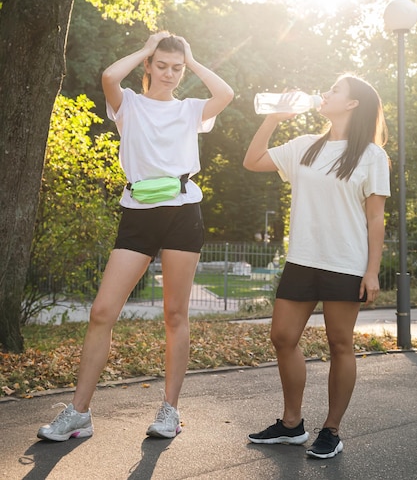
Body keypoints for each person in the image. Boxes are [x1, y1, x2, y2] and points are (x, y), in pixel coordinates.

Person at [37, 31, 234, 441]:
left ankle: (170, 411)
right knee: (102, 311)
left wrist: (191, 59)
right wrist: (148, 47)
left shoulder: (191, 109)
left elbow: (226, 93)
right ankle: (78, 413)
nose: (169, 73)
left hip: (183, 211)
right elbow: (109, 74)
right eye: (161, 65)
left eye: (175, 68)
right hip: (138, 213)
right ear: (147, 65)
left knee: (175, 315)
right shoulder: (128, 104)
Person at [243, 74, 390, 459]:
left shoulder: (372, 156)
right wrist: (274, 117)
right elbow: (252, 160)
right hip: (302, 259)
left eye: (335, 90)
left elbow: (376, 218)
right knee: (282, 337)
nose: (325, 94)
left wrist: (372, 270)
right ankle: (292, 425)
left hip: (345, 262)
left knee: (340, 344)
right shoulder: (305, 146)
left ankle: (332, 430)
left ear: (352, 104)